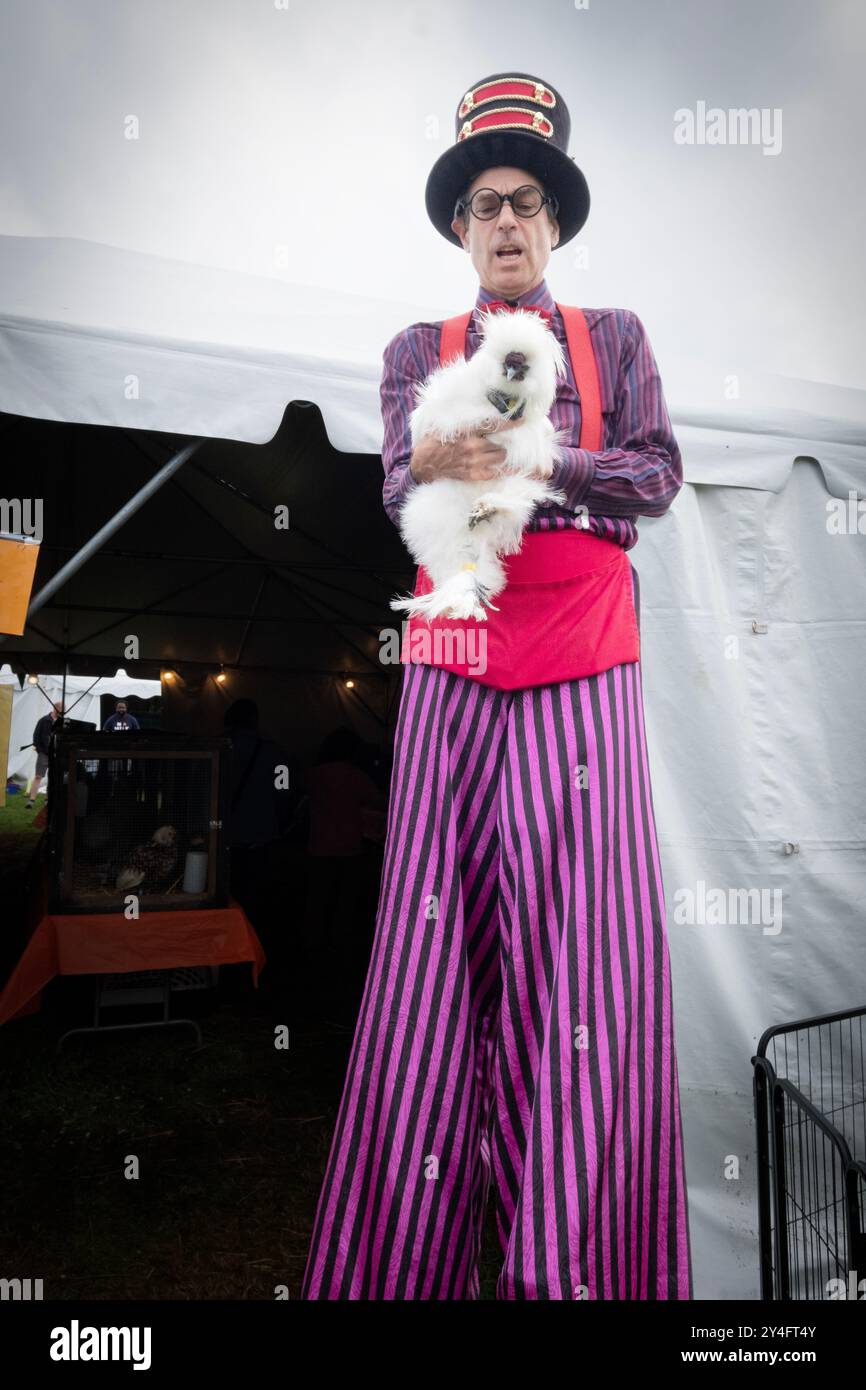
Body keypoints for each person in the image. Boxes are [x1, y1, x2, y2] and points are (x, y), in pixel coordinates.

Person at [301, 71, 693, 1301]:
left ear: (555, 220)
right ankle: (403, 1277)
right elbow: (386, 492)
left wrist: (548, 455)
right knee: (429, 947)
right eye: (483, 205)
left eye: (525, 200)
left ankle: (566, 1270)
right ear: (460, 229)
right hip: (459, 637)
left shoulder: (614, 336)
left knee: (584, 955)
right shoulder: (414, 352)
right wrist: (427, 452)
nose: (506, 222)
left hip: (581, 643)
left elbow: (658, 476)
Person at [301, 728, 387, 1005]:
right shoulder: (355, 775)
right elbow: (378, 800)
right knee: (345, 901)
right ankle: (340, 948)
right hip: (349, 847)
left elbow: (296, 797)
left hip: (318, 846)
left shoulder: (313, 775)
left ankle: (313, 945)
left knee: (318, 899)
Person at [26, 700, 63, 807]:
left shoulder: (63, 722)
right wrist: (40, 750)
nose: (63, 712)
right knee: (38, 776)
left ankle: (47, 799)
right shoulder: (44, 720)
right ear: (56, 708)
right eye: (61, 709)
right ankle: (31, 800)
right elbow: (36, 736)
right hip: (44, 754)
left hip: (56, 755)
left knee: (52, 777)